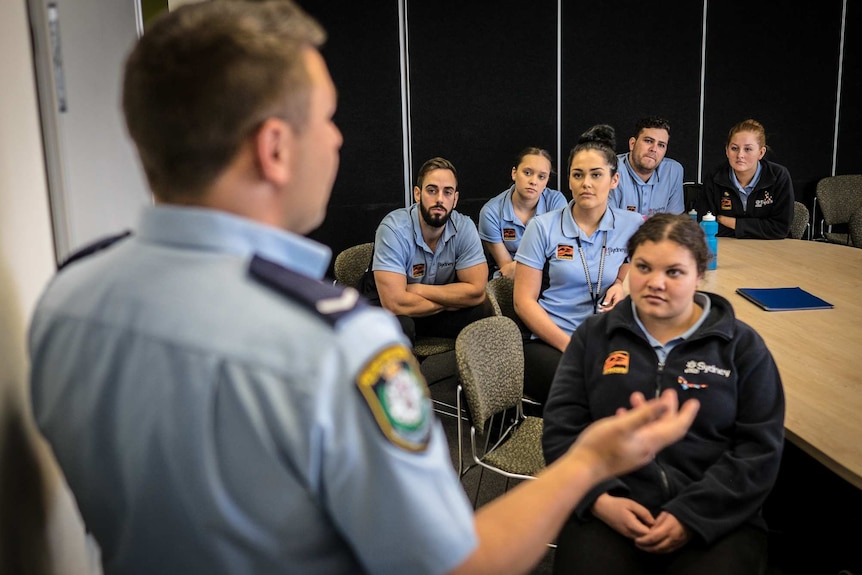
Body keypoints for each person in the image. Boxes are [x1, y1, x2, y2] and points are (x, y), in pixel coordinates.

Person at [27, 3, 700, 574]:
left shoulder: (67, 296)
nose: (340, 138)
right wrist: (588, 462)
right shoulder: (338, 346)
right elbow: (459, 562)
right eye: (326, 117)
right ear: (274, 148)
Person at [543, 213, 785, 575]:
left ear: (700, 276)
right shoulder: (594, 336)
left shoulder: (741, 346)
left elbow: (759, 448)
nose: (655, 283)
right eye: (643, 267)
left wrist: (692, 515)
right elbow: (562, 429)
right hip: (609, 505)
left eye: (674, 272)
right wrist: (599, 500)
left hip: (716, 513)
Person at [514, 125, 644, 408]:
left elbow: (631, 262)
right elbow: (523, 302)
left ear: (614, 180)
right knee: (595, 393)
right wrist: (570, 346)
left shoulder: (633, 225)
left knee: (643, 386)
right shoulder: (542, 228)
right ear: (569, 182)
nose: (586, 183)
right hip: (552, 340)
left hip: (608, 338)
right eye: (578, 174)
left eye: (596, 174)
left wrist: (620, 283)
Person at [370, 156, 495, 345]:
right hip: (385, 307)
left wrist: (418, 289)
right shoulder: (393, 229)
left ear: (455, 199)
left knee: (483, 310)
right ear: (417, 194)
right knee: (401, 325)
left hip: (419, 302)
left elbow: (476, 292)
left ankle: (459, 371)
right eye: (432, 190)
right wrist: (451, 301)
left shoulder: (465, 227)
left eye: (447, 192)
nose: (439, 199)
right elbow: (395, 303)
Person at [478, 147, 567, 279]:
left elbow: (562, 254)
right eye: (527, 173)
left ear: (547, 180)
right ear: (514, 173)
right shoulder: (491, 212)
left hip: (550, 277)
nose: (533, 181)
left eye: (541, 177)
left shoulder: (556, 202)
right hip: (510, 282)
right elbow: (507, 269)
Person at [697, 118, 794, 239]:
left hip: (773, 249)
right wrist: (757, 228)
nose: (740, 155)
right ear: (727, 151)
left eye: (748, 149)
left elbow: (780, 228)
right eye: (734, 148)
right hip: (728, 247)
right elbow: (706, 226)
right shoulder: (714, 176)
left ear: (761, 153)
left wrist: (732, 222)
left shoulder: (778, 176)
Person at [609, 116, 685, 218]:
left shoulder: (673, 171)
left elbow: (673, 224)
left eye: (661, 145)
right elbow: (607, 226)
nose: (654, 149)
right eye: (648, 141)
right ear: (632, 144)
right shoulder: (609, 169)